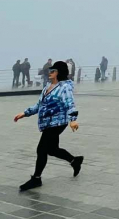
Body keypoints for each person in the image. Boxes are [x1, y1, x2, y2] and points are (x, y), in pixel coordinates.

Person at [14, 60, 83, 191]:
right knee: (52, 150)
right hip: (47, 122)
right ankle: (75, 161)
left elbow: (70, 103)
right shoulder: (47, 86)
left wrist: (73, 119)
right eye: (50, 70)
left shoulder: (64, 87)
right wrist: (25, 113)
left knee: (41, 149)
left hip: (57, 122)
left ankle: (36, 179)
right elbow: (40, 105)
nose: (49, 72)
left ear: (59, 73)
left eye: (53, 71)